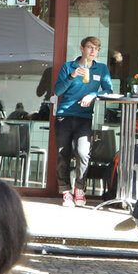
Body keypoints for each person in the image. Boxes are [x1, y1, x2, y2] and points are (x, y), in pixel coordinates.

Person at [53, 35, 114, 207]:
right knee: (62, 154)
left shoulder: (101, 69)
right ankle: (66, 192)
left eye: (96, 49)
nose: (93, 51)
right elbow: (58, 90)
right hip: (64, 115)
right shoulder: (68, 66)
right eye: (90, 47)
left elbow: (108, 90)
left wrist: (93, 95)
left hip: (84, 117)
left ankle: (80, 190)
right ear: (81, 49)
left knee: (82, 153)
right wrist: (72, 75)